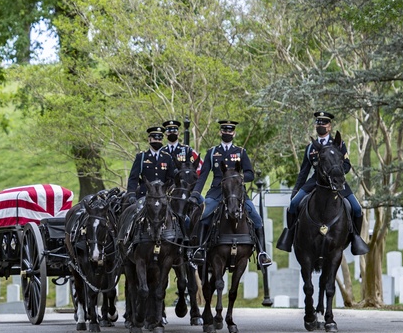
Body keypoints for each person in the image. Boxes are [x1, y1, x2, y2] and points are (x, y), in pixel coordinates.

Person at [277, 112, 369, 255]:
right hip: (316, 181)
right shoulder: (310, 148)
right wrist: (296, 190)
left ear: (329, 127)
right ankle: (291, 236)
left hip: (336, 180)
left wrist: (337, 174)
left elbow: (347, 165)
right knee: (293, 205)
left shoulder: (338, 144)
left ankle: (355, 238)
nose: (321, 125)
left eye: (324, 123)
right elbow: (304, 171)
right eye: (318, 123)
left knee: (357, 209)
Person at [188, 121, 273, 267]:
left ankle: (262, 253)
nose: (227, 133)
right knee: (204, 216)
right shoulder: (212, 152)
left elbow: (250, 174)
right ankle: (200, 250)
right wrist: (196, 193)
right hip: (216, 192)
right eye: (224, 131)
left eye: (230, 131)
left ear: (234, 133)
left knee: (257, 219)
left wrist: (238, 179)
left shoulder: (240, 152)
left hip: (237, 193)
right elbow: (203, 175)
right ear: (220, 133)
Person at [126, 126, 179, 204]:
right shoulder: (142, 157)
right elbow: (133, 178)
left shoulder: (167, 157)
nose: (157, 141)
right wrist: (131, 194)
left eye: (159, 139)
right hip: (144, 196)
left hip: (162, 197)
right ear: (149, 139)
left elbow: (171, 179)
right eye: (155, 138)